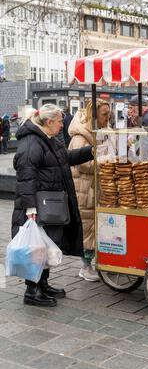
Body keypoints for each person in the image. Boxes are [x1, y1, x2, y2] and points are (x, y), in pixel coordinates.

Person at [11, 104, 94, 307]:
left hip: (50, 205)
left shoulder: (50, 140)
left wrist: (91, 151)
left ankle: (43, 284)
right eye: (59, 122)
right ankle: (32, 291)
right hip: (36, 206)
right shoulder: (32, 143)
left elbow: (67, 158)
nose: (61, 125)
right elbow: (26, 177)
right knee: (35, 248)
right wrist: (30, 208)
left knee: (46, 245)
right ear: (49, 122)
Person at [68, 99, 111, 281]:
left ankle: (96, 262)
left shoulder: (102, 133)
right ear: (93, 116)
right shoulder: (80, 137)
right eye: (104, 114)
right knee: (87, 228)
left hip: (96, 187)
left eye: (109, 113)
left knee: (96, 227)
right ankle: (85, 266)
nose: (108, 117)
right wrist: (107, 161)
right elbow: (83, 164)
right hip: (84, 190)